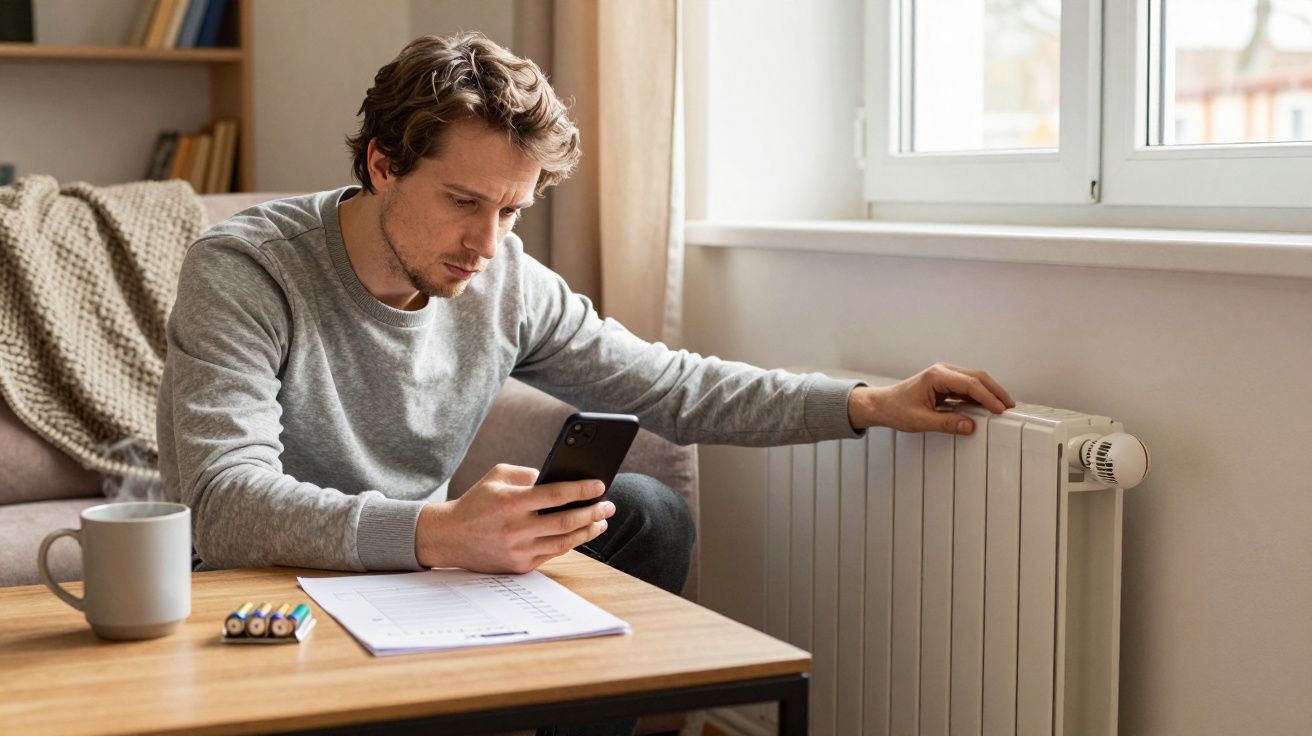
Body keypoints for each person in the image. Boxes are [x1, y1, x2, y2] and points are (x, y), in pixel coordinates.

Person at [157, 33, 1012, 733]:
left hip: (419, 580)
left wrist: (864, 403)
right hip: (271, 583)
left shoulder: (503, 280)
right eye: (463, 201)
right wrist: (438, 532)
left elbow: (670, 385)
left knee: (647, 513)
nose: (485, 244)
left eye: (511, 209)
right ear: (383, 163)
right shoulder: (245, 270)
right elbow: (227, 504)